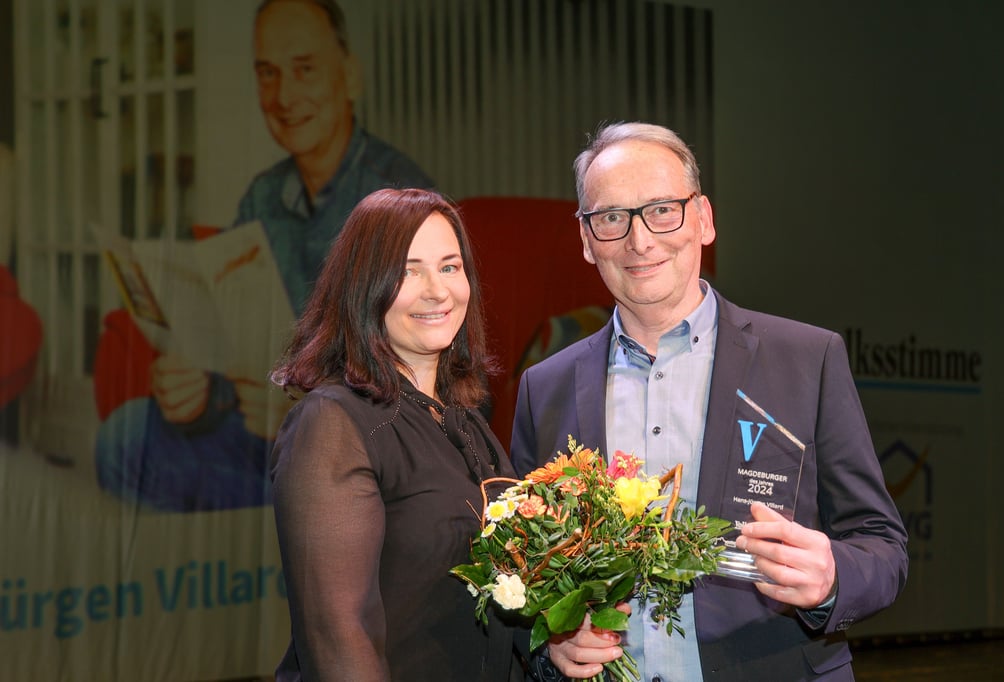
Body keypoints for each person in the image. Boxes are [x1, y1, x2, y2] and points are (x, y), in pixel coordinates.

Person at [510, 122, 908, 681]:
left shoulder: (806, 359)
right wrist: (551, 640)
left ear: (703, 219)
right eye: (610, 218)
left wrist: (830, 577)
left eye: (662, 210)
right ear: (584, 238)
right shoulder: (544, 388)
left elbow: (882, 545)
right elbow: (527, 570)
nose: (639, 240)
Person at [94, 0, 433, 511]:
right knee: (122, 440)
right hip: (261, 442)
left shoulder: (400, 199)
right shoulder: (261, 197)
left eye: (304, 69)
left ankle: (297, 535)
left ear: (350, 76)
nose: (284, 95)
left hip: (356, 448)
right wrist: (201, 392)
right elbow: (231, 343)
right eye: (268, 73)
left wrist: (314, 412)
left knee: (323, 484)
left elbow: (430, 383)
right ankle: (274, 538)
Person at [270, 188, 522, 681]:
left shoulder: (464, 421)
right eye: (410, 270)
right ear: (365, 285)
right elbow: (339, 641)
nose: (438, 290)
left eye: (450, 267)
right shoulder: (333, 424)